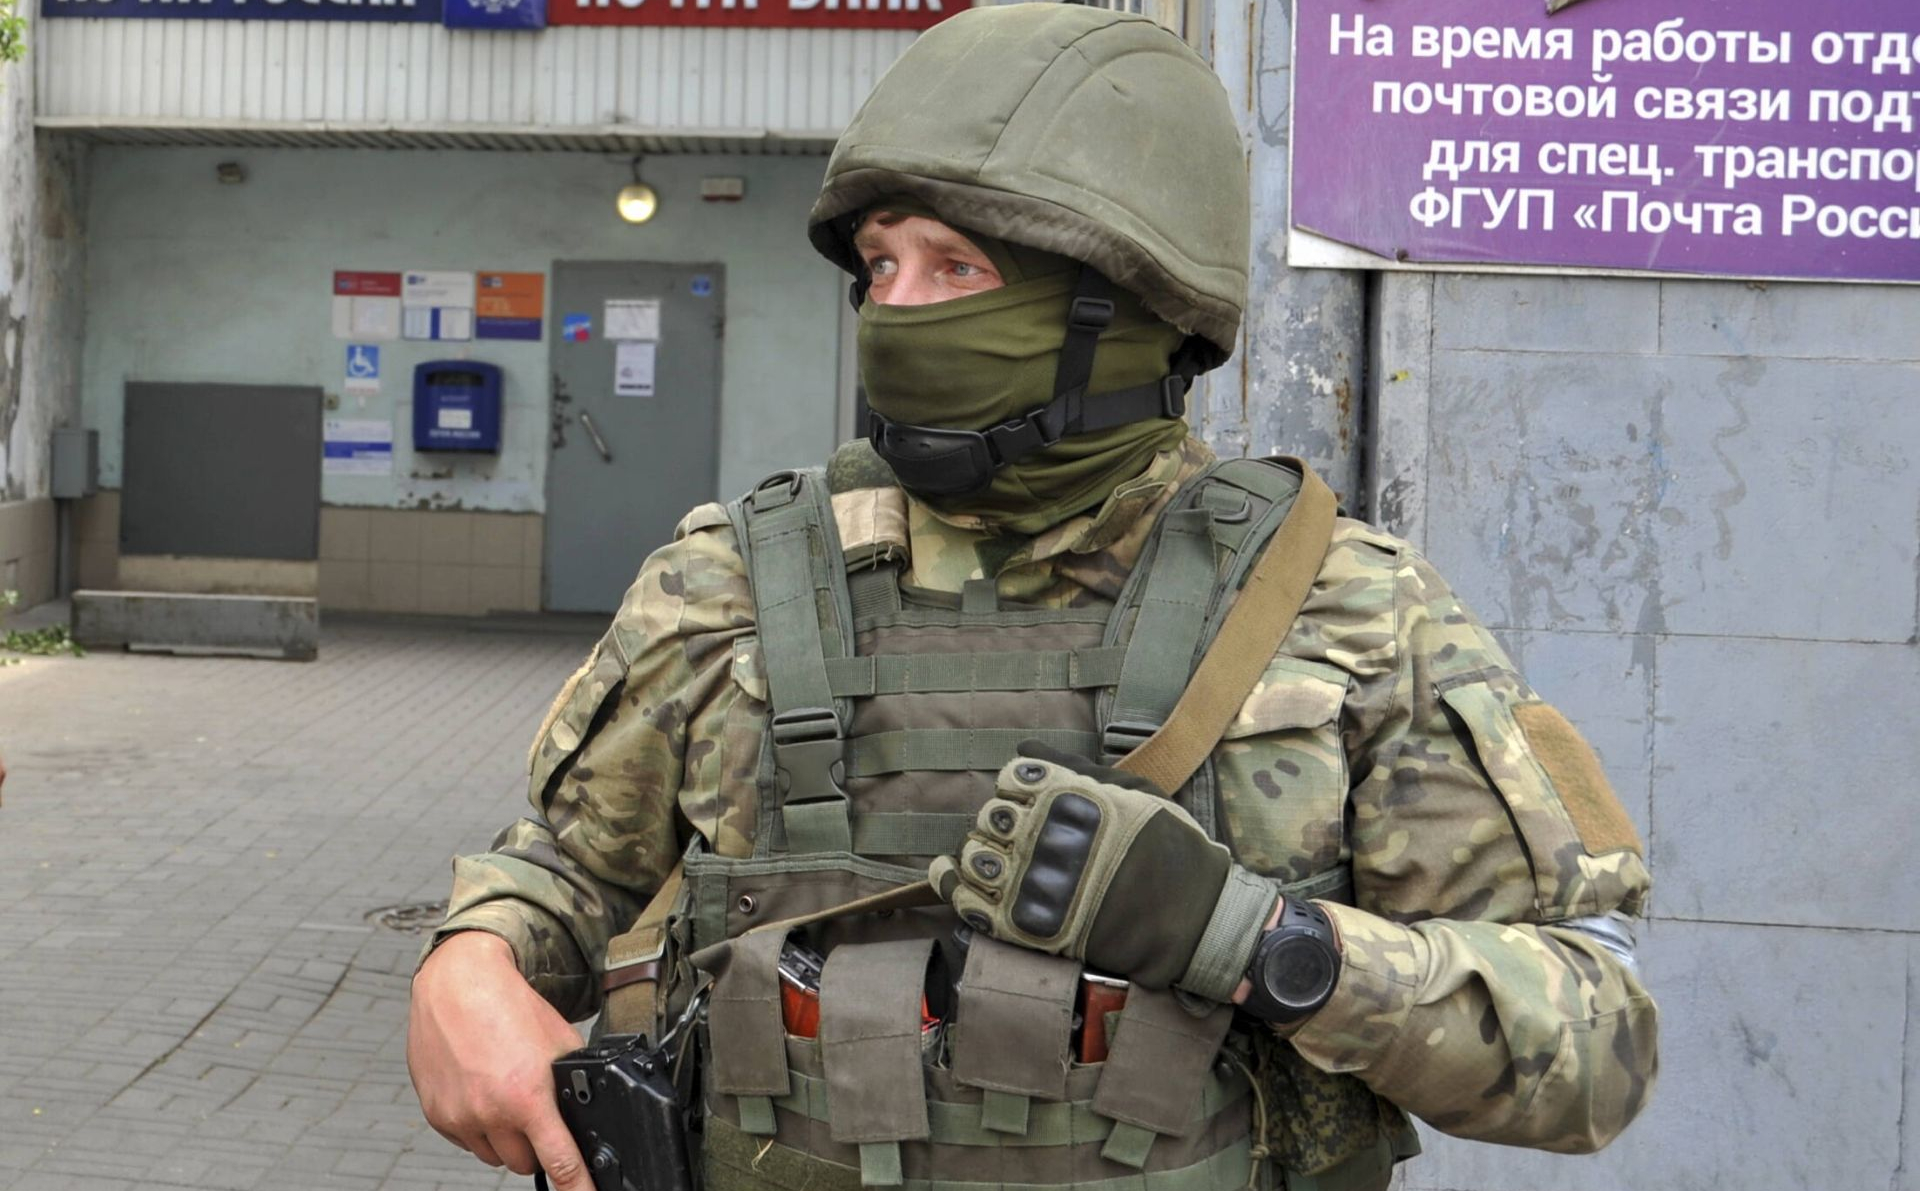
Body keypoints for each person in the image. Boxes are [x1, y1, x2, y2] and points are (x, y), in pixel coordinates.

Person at [407, 7, 1658, 1191]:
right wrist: (470, 963)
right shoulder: (732, 580)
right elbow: (567, 871)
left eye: (956, 267)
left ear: (1130, 304)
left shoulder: (1344, 610)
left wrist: (1260, 944)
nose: (895, 311)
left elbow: (1595, 1049)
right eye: (880, 265)